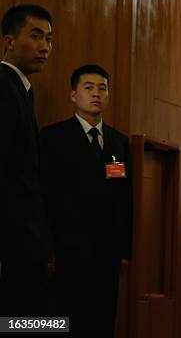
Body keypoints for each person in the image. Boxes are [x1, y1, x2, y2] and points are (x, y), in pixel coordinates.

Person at [40, 64, 133, 337]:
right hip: (67, 249)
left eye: (102, 88)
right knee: (66, 319)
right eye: (88, 88)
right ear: (73, 95)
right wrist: (47, 248)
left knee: (103, 319)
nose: (96, 94)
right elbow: (45, 196)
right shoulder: (53, 137)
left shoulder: (118, 142)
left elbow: (125, 198)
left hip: (108, 252)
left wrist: (125, 249)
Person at [0, 4, 54, 316]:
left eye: (49, 39)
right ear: (9, 41)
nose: (44, 47)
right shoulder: (4, 87)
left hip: (33, 242)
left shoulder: (115, 144)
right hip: (15, 242)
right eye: (35, 37)